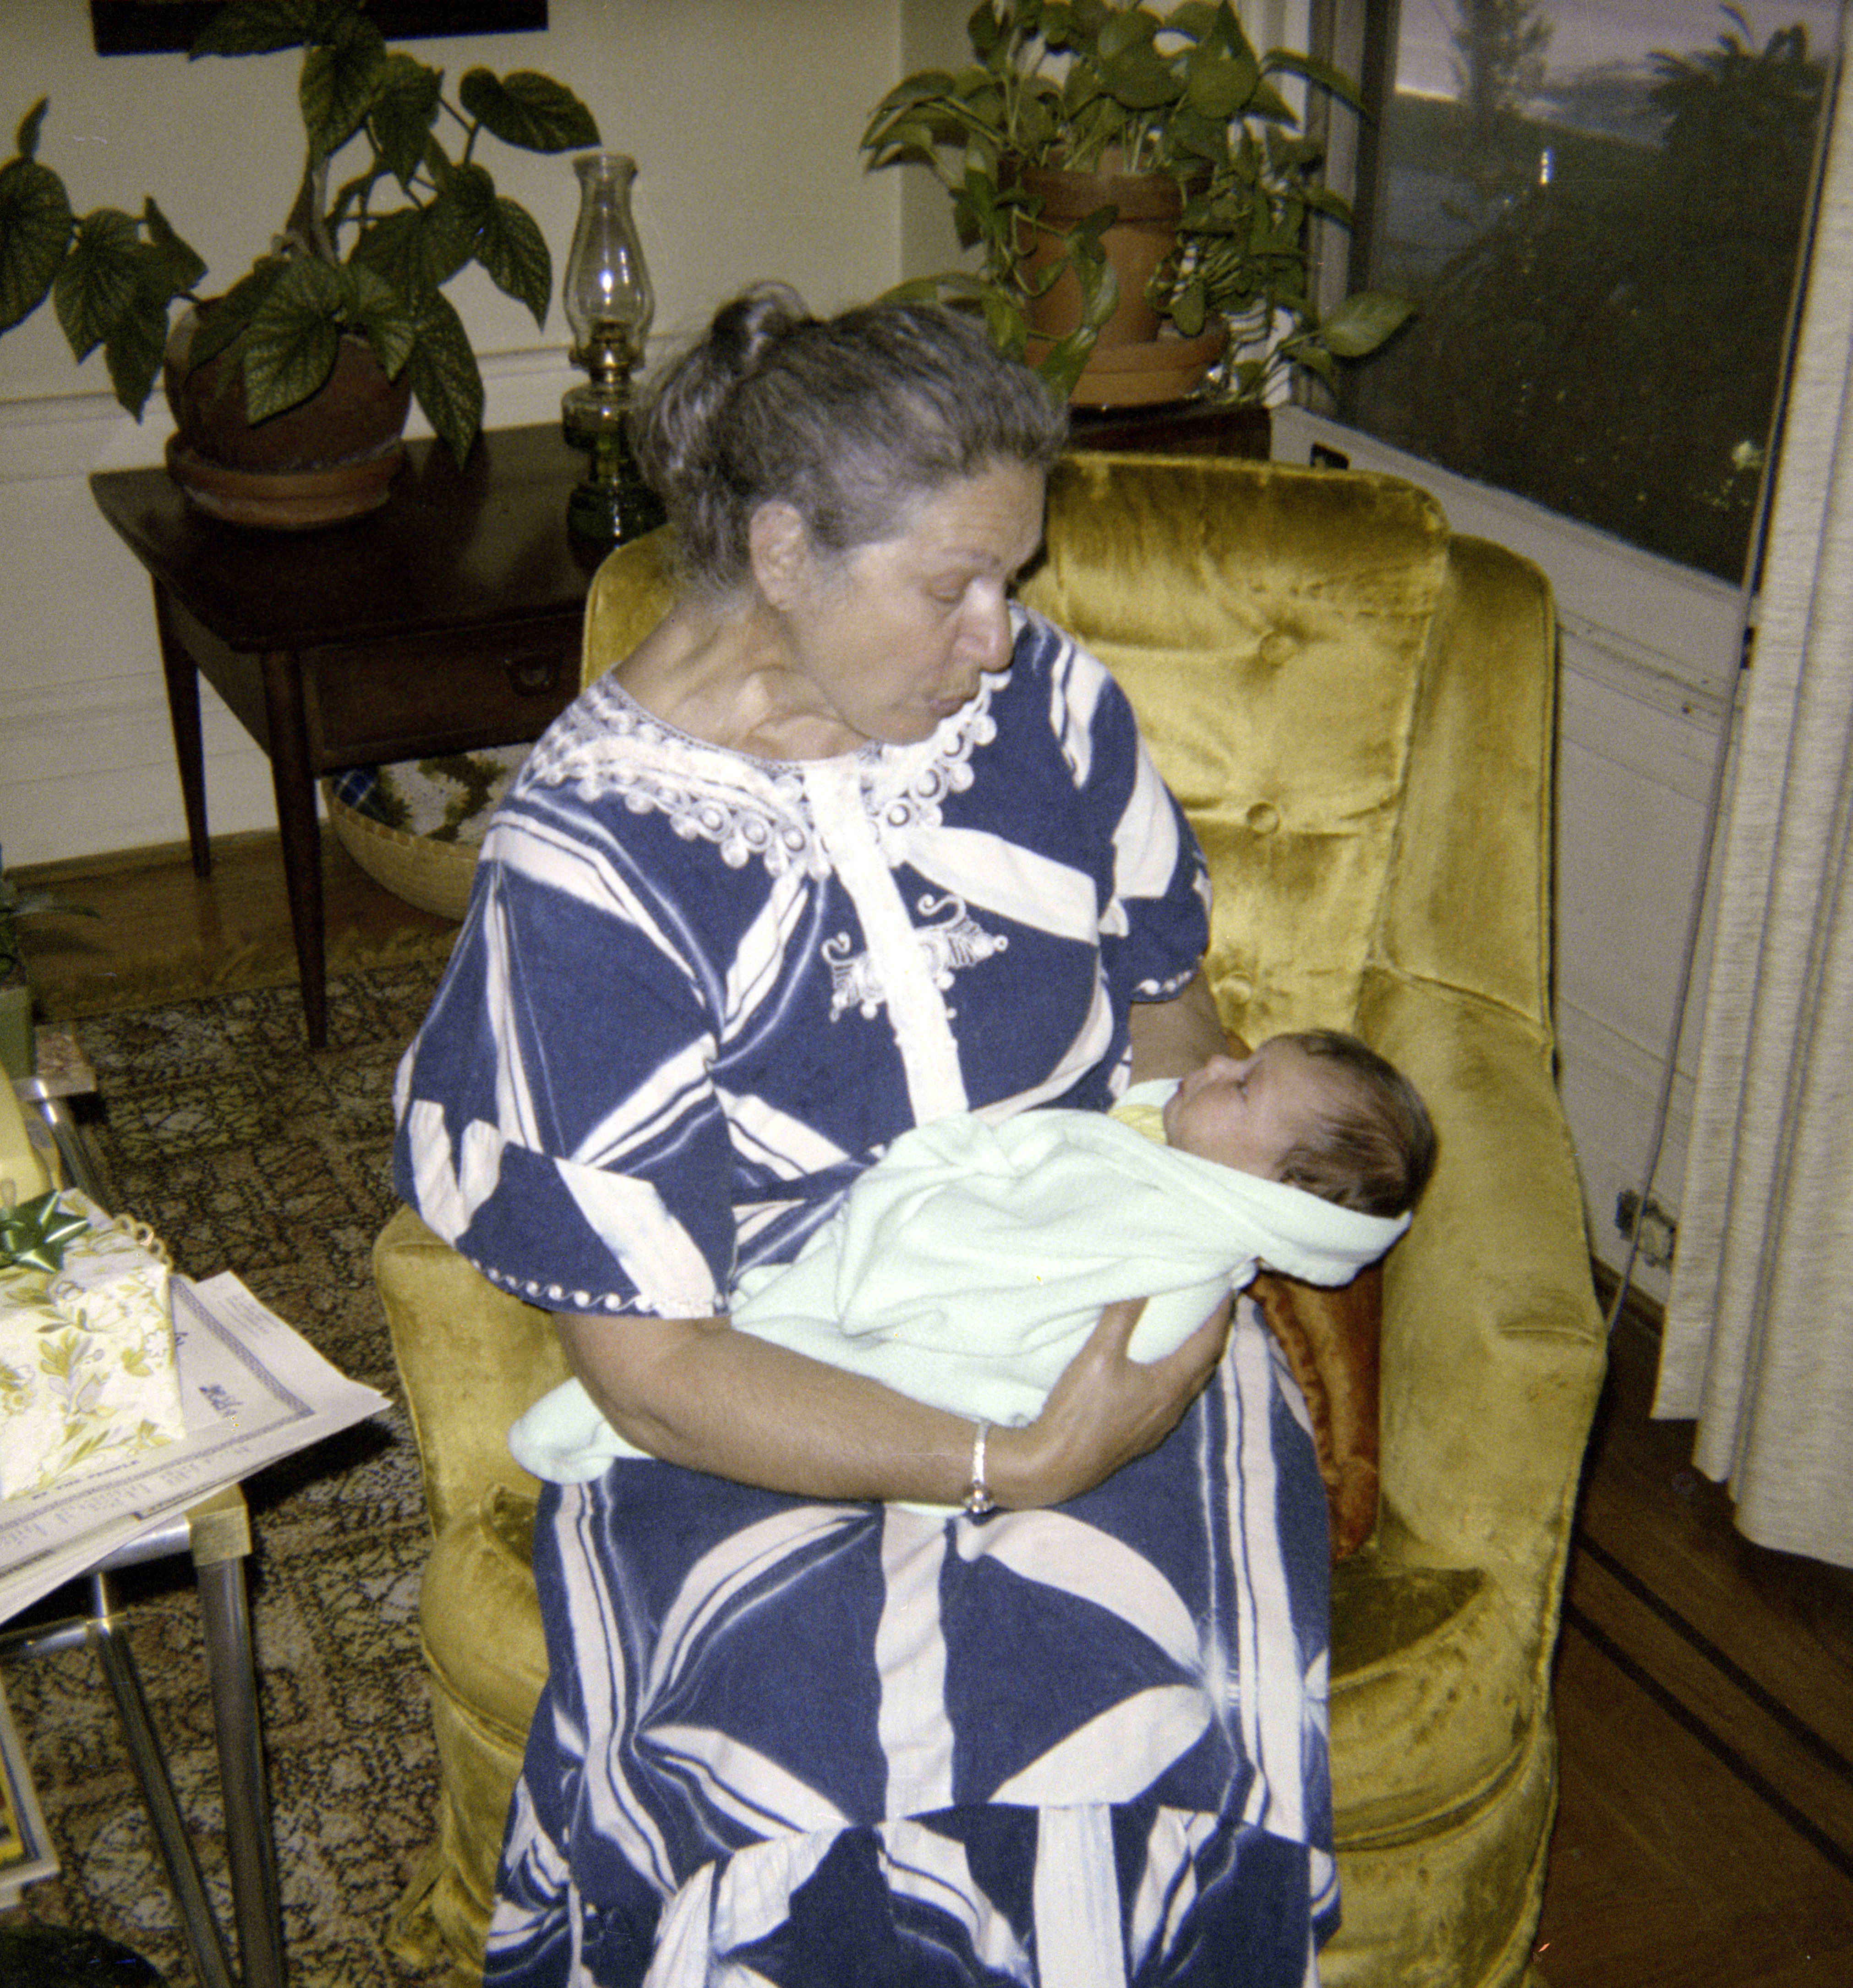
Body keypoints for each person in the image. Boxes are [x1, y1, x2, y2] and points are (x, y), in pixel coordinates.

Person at [394, 284, 1335, 1985]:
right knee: (795, 1755)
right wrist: (1010, 1462)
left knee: (1132, 1712)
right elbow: (653, 1374)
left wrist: (1180, 1224)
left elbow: (1166, 1010)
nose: (1000, 634)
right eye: (952, 586)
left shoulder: (1046, 712)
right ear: (779, 551)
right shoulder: (587, 868)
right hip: (760, 1380)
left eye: (1012, 579)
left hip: (1091, 1306)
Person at [509, 1030, 1437, 1489]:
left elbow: (999, 1273)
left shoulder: (1183, 1243)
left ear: (1280, 1191)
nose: (1211, 1065)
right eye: (1238, 1061)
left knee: (791, 1352)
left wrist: (932, 1183)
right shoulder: (1153, 1148)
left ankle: (757, 1403)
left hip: (951, 1360)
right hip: (920, 1321)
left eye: (1241, 1087)